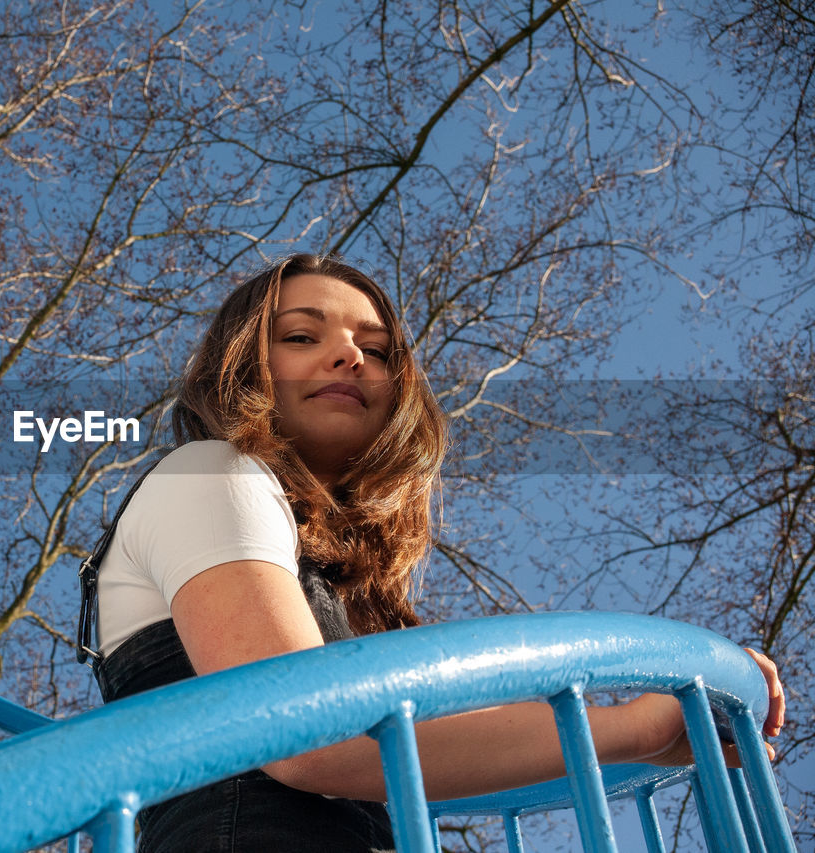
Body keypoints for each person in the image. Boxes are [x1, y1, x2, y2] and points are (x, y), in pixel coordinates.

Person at [77, 253, 785, 852]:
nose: (351, 354)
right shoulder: (209, 473)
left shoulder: (315, 569)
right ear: (242, 369)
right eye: (300, 334)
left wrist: (643, 736)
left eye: (376, 348)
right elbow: (309, 736)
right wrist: (635, 724)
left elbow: (398, 745)